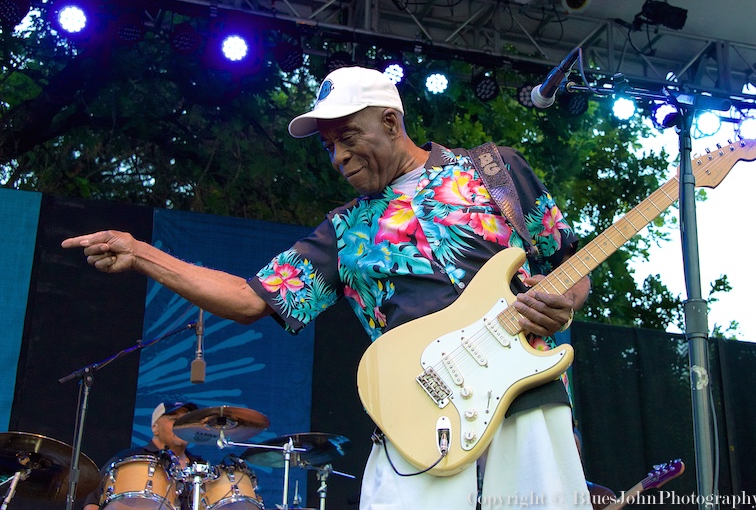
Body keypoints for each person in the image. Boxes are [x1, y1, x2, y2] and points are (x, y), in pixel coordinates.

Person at [63, 66, 592, 510]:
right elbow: (250, 299)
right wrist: (144, 254)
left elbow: (571, 265)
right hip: (420, 416)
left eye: (348, 137)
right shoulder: (343, 232)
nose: (338, 157)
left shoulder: (495, 171)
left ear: (390, 121)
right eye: (329, 145)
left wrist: (560, 300)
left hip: (527, 399)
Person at [83, 399, 200, 510]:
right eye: (175, 419)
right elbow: (93, 502)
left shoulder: (201, 467)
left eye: (186, 421)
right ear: (155, 428)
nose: (182, 425)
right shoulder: (128, 459)